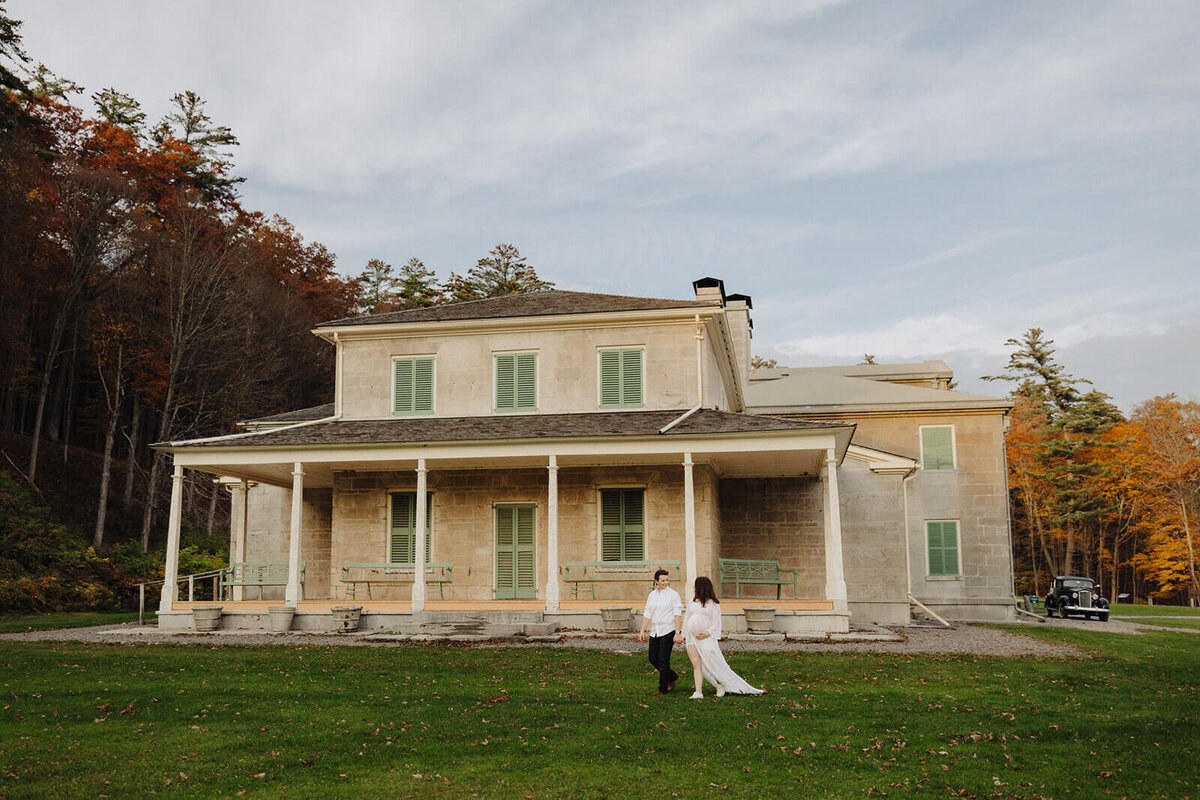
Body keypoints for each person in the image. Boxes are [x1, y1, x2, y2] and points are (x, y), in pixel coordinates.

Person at [682, 576, 764, 699]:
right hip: (692, 638)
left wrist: (707, 633)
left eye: (695, 585)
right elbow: (686, 619)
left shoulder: (713, 604)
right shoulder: (692, 603)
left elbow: (716, 622)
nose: (694, 588)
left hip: (705, 638)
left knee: (711, 663)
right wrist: (683, 634)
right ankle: (698, 692)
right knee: (696, 664)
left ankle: (720, 683)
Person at [636, 568, 683, 695]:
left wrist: (677, 632)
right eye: (663, 580)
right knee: (652, 658)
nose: (665, 582)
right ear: (656, 581)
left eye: (667, 580)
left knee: (663, 660)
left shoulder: (673, 595)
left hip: (668, 630)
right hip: (655, 631)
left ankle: (662, 689)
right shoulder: (652, 595)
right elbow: (648, 613)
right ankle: (671, 676)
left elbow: (677, 615)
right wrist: (642, 631)